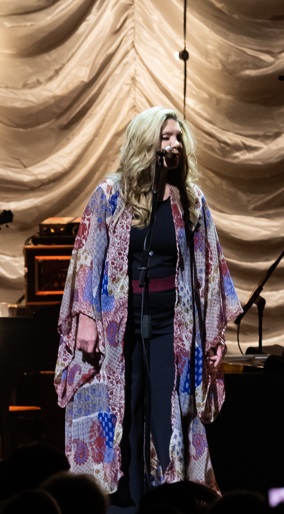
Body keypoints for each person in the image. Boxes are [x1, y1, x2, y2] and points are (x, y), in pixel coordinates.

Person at [54, 106, 242, 512]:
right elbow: (88, 257)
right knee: (127, 403)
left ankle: (170, 496)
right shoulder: (110, 195)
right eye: (165, 137)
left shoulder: (189, 199)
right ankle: (129, 496)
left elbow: (209, 266)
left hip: (172, 323)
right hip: (116, 323)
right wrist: (86, 315)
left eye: (177, 137)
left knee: (166, 410)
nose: (174, 144)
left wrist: (214, 334)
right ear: (145, 143)